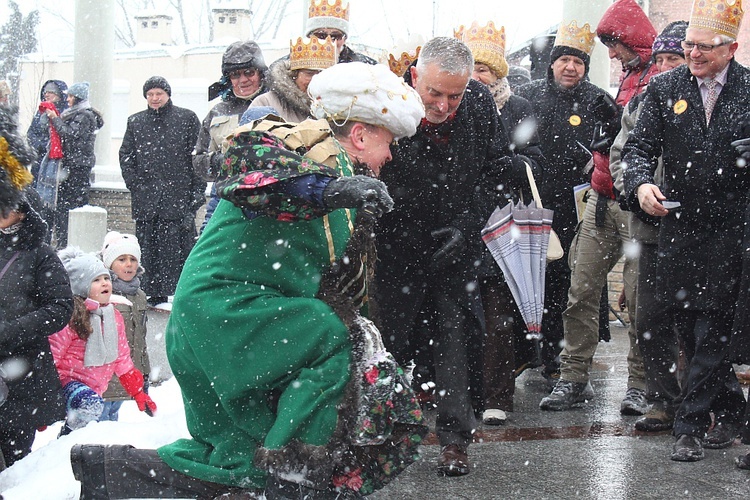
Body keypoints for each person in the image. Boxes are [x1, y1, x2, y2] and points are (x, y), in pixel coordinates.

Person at [70, 61, 427, 499]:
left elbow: (345, 288)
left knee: (239, 458)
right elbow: (245, 168)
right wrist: (328, 192)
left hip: (218, 323)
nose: (390, 156)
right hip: (227, 314)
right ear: (360, 135)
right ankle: (295, 478)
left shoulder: (346, 184)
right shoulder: (295, 146)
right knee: (330, 337)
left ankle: (107, 472)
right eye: (388, 143)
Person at [375, 36, 525, 476]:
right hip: (397, 245)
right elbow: (370, 170)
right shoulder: (386, 97)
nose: (443, 106)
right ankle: (380, 435)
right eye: (434, 94)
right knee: (390, 343)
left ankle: (456, 438)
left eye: (453, 95)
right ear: (415, 77)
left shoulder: (478, 103)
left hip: (457, 243)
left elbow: (497, 171)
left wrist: (467, 225)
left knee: (455, 339)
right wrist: (404, 223)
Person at [622, 1, 749, 462]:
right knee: (687, 327)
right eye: (689, 46)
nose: (693, 54)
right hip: (678, 225)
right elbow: (637, 149)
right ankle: (735, 411)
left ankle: (690, 425)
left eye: (704, 47)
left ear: (731, 48)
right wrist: (641, 184)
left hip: (732, 229)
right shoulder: (664, 88)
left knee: (713, 324)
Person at [515, 21, 622, 400]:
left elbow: (614, 143)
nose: (570, 68)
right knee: (532, 282)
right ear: (551, 64)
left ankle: (566, 358)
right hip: (536, 203)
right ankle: (531, 352)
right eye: (563, 60)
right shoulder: (527, 97)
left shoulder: (598, 99)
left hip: (579, 207)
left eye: (577, 61)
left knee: (573, 285)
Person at [457, 20, 546, 426]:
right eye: (472, 67)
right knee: (460, 312)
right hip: (463, 220)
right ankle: (459, 390)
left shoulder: (519, 107)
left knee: (497, 312)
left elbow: (537, 160)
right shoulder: (452, 103)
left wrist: (512, 165)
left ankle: (496, 394)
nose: (478, 77)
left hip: (502, 221)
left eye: (485, 70)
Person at [610, 20, 689, 433]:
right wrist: (636, 193)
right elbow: (623, 156)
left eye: (672, 58)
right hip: (648, 227)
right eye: (657, 59)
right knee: (651, 318)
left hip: (695, 230)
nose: (663, 67)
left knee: (695, 318)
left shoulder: (706, 101)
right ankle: (661, 401)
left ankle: (697, 402)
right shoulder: (641, 104)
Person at [0, 104, 73, 470]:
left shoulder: (40, 254)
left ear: (22, 211)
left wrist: (11, 330)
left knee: (14, 460)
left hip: (22, 370)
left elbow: (60, 309)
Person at [49, 247, 156, 436]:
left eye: (106, 278)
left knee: (91, 426)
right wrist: (44, 397)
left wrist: (138, 393)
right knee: (88, 405)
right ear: (81, 286)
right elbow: (52, 356)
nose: (105, 283)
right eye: (96, 280)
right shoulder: (71, 317)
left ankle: (70, 442)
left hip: (96, 386)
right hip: (67, 382)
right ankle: (65, 442)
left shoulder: (113, 316)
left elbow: (122, 360)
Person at [119, 76, 203, 306]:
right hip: (147, 203)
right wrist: (137, 186)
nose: (155, 98)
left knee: (179, 252)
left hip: (178, 200)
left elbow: (197, 159)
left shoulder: (186, 119)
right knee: (149, 253)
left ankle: (183, 297)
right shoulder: (136, 122)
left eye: (159, 94)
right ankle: (151, 295)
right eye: (150, 94)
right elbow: (126, 157)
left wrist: (195, 195)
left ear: (168, 94)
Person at [194, 40, 268, 231]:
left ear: (261, 72)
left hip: (268, 198)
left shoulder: (276, 104)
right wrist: (220, 162)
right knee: (207, 252)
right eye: (235, 75)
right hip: (223, 197)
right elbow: (198, 159)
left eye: (249, 72)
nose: (243, 80)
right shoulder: (217, 112)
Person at [43, 81, 104, 247]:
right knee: (64, 208)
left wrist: (55, 119)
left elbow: (70, 135)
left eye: (70, 96)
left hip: (76, 168)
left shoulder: (84, 115)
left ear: (78, 98)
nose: (67, 99)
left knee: (69, 208)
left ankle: (68, 243)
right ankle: (65, 241)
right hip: (73, 166)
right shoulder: (76, 114)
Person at [98, 231, 150, 422]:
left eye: (133, 259)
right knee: (98, 426)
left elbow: (140, 339)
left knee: (113, 420)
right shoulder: (101, 294)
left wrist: (143, 372)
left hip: (126, 374)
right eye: (122, 259)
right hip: (103, 376)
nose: (129, 264)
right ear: (109, 264)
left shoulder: (139, 296)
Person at [249, 36, 337, 123]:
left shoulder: (341, 106)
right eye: (309, 74)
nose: (316, 80)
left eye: (322, 74)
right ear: (294, 75)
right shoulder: (266, 102)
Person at [596, 0, 659, 108]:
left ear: (630, 41)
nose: (611, 55)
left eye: (613, 45)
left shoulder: (661, 69)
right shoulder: (629, 72)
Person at [305, 0, 376, 64]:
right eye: (321, 35)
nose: (329, 40)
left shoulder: (365, 67)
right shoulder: (297, 66)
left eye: (335, 36)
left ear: (344, 39)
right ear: (309, 37)